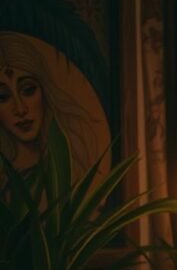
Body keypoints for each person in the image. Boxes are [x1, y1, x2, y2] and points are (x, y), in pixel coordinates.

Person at [0, 32, 105, 184]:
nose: (20, 109)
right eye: (3, 97)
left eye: (28, 90)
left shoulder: (71, 171)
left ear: (45, 91)